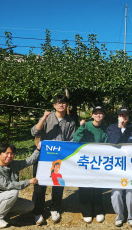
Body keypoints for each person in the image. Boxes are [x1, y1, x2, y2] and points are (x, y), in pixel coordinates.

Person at [31, 94, 76, 225]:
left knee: (58, 183)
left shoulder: (70, 122)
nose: (61, 105)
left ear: (67, 105)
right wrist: (44, 117)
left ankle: (55, 208)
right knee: (39, 185)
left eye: (64, 103)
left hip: (60, 158)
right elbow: (34, 132)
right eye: (58, 102)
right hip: (43, 157)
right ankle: (37, 211)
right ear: (54, 105)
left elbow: (71, 141)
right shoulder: (47, 118)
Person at [73, 106, 108, 224]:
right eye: (96, 113)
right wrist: (81, 127)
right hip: (84, 161)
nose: (98, 115)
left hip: (97, 162)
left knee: (98, 186)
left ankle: (99, 211)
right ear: (92, 115)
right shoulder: (86, 125)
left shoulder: (104, 129)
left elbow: (107, 144)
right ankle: (86, 212)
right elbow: (76, 138)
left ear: (103, 115)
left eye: (101, 113)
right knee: (84, 187)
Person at [107, 106, 132, 228]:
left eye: (125, 115)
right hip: (115, 167)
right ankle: (119, 216)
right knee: (116, 192)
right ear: (117, 117)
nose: (123, 118)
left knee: (130, 192)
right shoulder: (111, 128)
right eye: (121, 115)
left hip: (129, 167)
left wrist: (126, 129)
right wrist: (120, 129)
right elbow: (113, 142)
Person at [0, 143, 39, 229]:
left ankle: (2, 215)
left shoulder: (13, 164)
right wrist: (28, 181)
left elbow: (29, 161)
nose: (9, 156)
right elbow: (8, 186)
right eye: (6, 153)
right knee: (13, 192)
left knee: (29, 205)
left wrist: (38, 150)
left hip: (3, 200)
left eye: (12, 153)